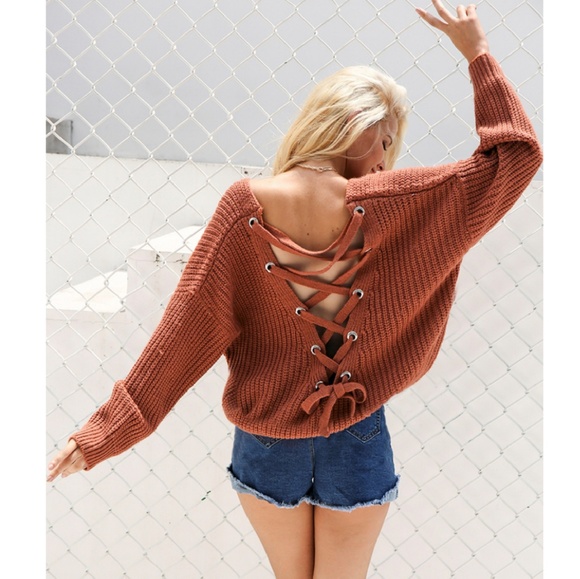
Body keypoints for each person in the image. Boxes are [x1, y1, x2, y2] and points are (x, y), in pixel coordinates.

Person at [47, 2, 542, 577]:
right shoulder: (405, 203)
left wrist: (103, 435)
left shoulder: (243, 206)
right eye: (385, 141)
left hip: (266, 438)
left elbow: (182, 336)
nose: (386, 161)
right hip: (358, 434)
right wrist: (477, 53)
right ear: (356, 124)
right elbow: (516, 154)